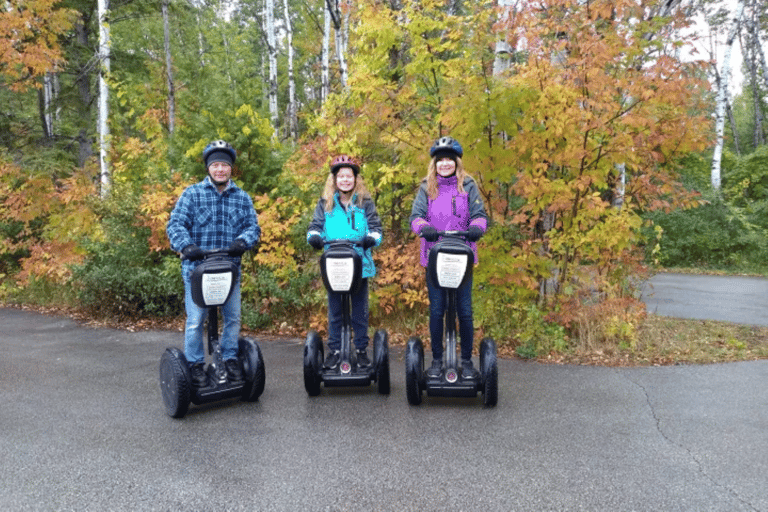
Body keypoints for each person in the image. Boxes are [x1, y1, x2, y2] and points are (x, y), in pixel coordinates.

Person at [167, 140, 261, 388]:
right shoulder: (192, 194)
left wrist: (243, 241)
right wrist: (186, 246)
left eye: (225, 165)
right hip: (197, 271)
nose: (220, 169)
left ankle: (230, 358)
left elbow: (253, 227)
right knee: (196, 320)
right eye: (216, 165)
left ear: (231, 168)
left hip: (228, 271)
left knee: (232, 318)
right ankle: (196, 365)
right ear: (209, 167)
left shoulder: (241, 198)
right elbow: (175, 224)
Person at [409, 136, 488, 379]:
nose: (445, 164)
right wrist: (424, 228)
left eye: (449, 159)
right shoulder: (426, 187)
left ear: (456, 162)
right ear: (435, 163)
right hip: (435, 256)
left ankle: (466, 361)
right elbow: (416, 216)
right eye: (440, 160)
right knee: (437, 310)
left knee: (464, 311)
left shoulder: (469, 185)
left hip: (462, 256)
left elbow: (480, 215)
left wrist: (477, 228)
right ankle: (437, 361)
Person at [307, 155, 383, 370]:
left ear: (355, 179)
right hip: (334, 264)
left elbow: (376, 230)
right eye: (341, 176)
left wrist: (371, 239)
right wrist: (313, 237)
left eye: (349, 176)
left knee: (359, 310)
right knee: (336, 311)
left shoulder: (365, 203)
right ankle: (336, 350)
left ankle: (360, 350)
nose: (345, 180)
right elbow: (315, 227)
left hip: (359, 264)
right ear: (335, 180)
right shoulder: (325, 203)